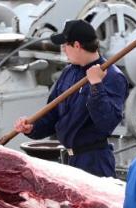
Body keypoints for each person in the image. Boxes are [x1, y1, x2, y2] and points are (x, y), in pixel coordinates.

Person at [13, 19, 128, 177]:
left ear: (76, 45)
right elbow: (52, 116)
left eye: (64, 45)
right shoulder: (68, 73)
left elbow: (106, 122)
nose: (63, 50)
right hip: (68, 160)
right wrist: (32, 127)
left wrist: (96, 84)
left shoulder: (112, 77)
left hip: (94, 162)